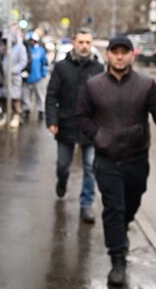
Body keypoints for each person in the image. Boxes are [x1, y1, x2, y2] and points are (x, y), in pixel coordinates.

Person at [77, 36, 156, 286]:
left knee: (129, 206)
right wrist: (98, 135)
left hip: (136, 160)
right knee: (114, 209)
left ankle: (121, 232)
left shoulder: (146, 85)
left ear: (132, 55)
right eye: (115, 52)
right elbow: (81, 116)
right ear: (109, 55)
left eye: (125, 52)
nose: (120, 56)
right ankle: (117, 260)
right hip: (106, 160)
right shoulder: (94, 85)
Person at [45, 28, 104, 224]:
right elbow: (51, 95)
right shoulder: (62, 67)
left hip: (90, 129)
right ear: (74, 43)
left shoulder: (98, 69)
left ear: (91, 43)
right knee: (63, 165)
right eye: (81, 42)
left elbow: (105, 99)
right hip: (66, 125)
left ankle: (86, 205)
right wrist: (52, 120)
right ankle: (62, 181)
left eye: (88, 42)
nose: (84, 46)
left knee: (90, 167)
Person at [0, 30, 28, 130]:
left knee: (15, 97)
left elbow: (23, 62)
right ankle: (4, 115)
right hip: (4, 77)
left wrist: (13, 70)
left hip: (14, 77)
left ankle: (16, 116)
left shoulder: (20, 47)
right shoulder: (4, 47)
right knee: (4, 97)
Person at [22, 31, 48, 122]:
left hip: (38, 77)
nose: (31, 42)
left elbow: (44, 62)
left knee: (40, 95)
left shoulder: (40, 50)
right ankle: (26, 110)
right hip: (27, 77)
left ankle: (41, 111)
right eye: (30, 40)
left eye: (33, 40)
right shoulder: (25, 50)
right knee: (26, 95)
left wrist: (43, 74)